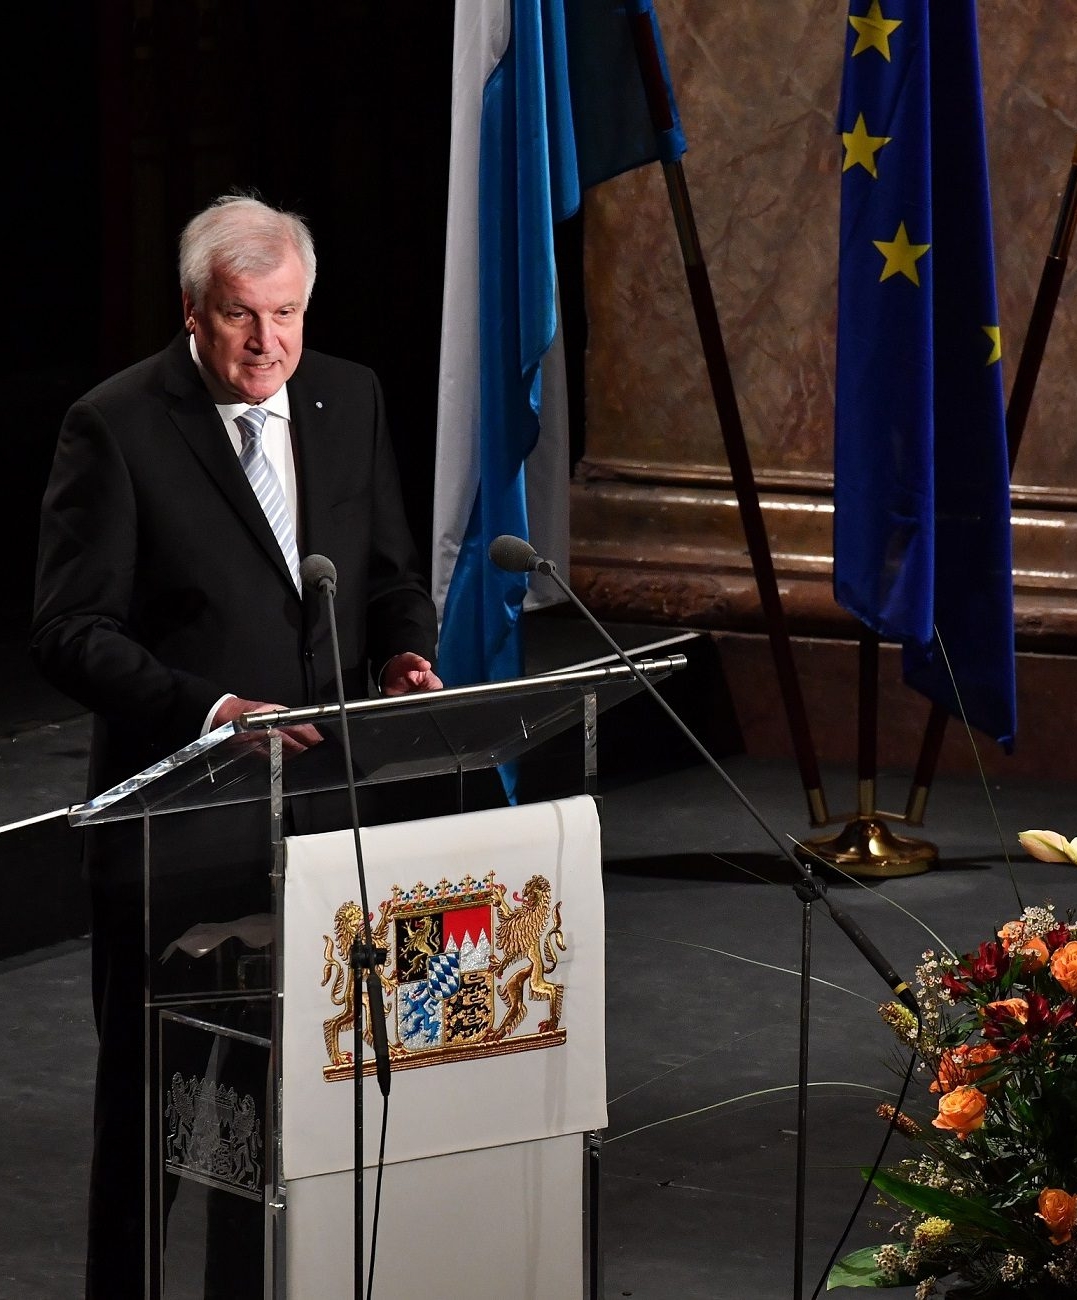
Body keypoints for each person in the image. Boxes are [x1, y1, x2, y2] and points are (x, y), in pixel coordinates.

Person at [30, 191, 443, 1298]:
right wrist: (213, 711)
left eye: (289, 315)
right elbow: (68, 630)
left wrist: (406, 651)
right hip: (180, 820)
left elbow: (392, 572)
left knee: (296, 1110)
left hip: (327, 814)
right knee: (156, 1110)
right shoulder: (114, 424)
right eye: (243, 316)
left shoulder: (346, 396)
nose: (269, 343)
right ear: (193, 311)